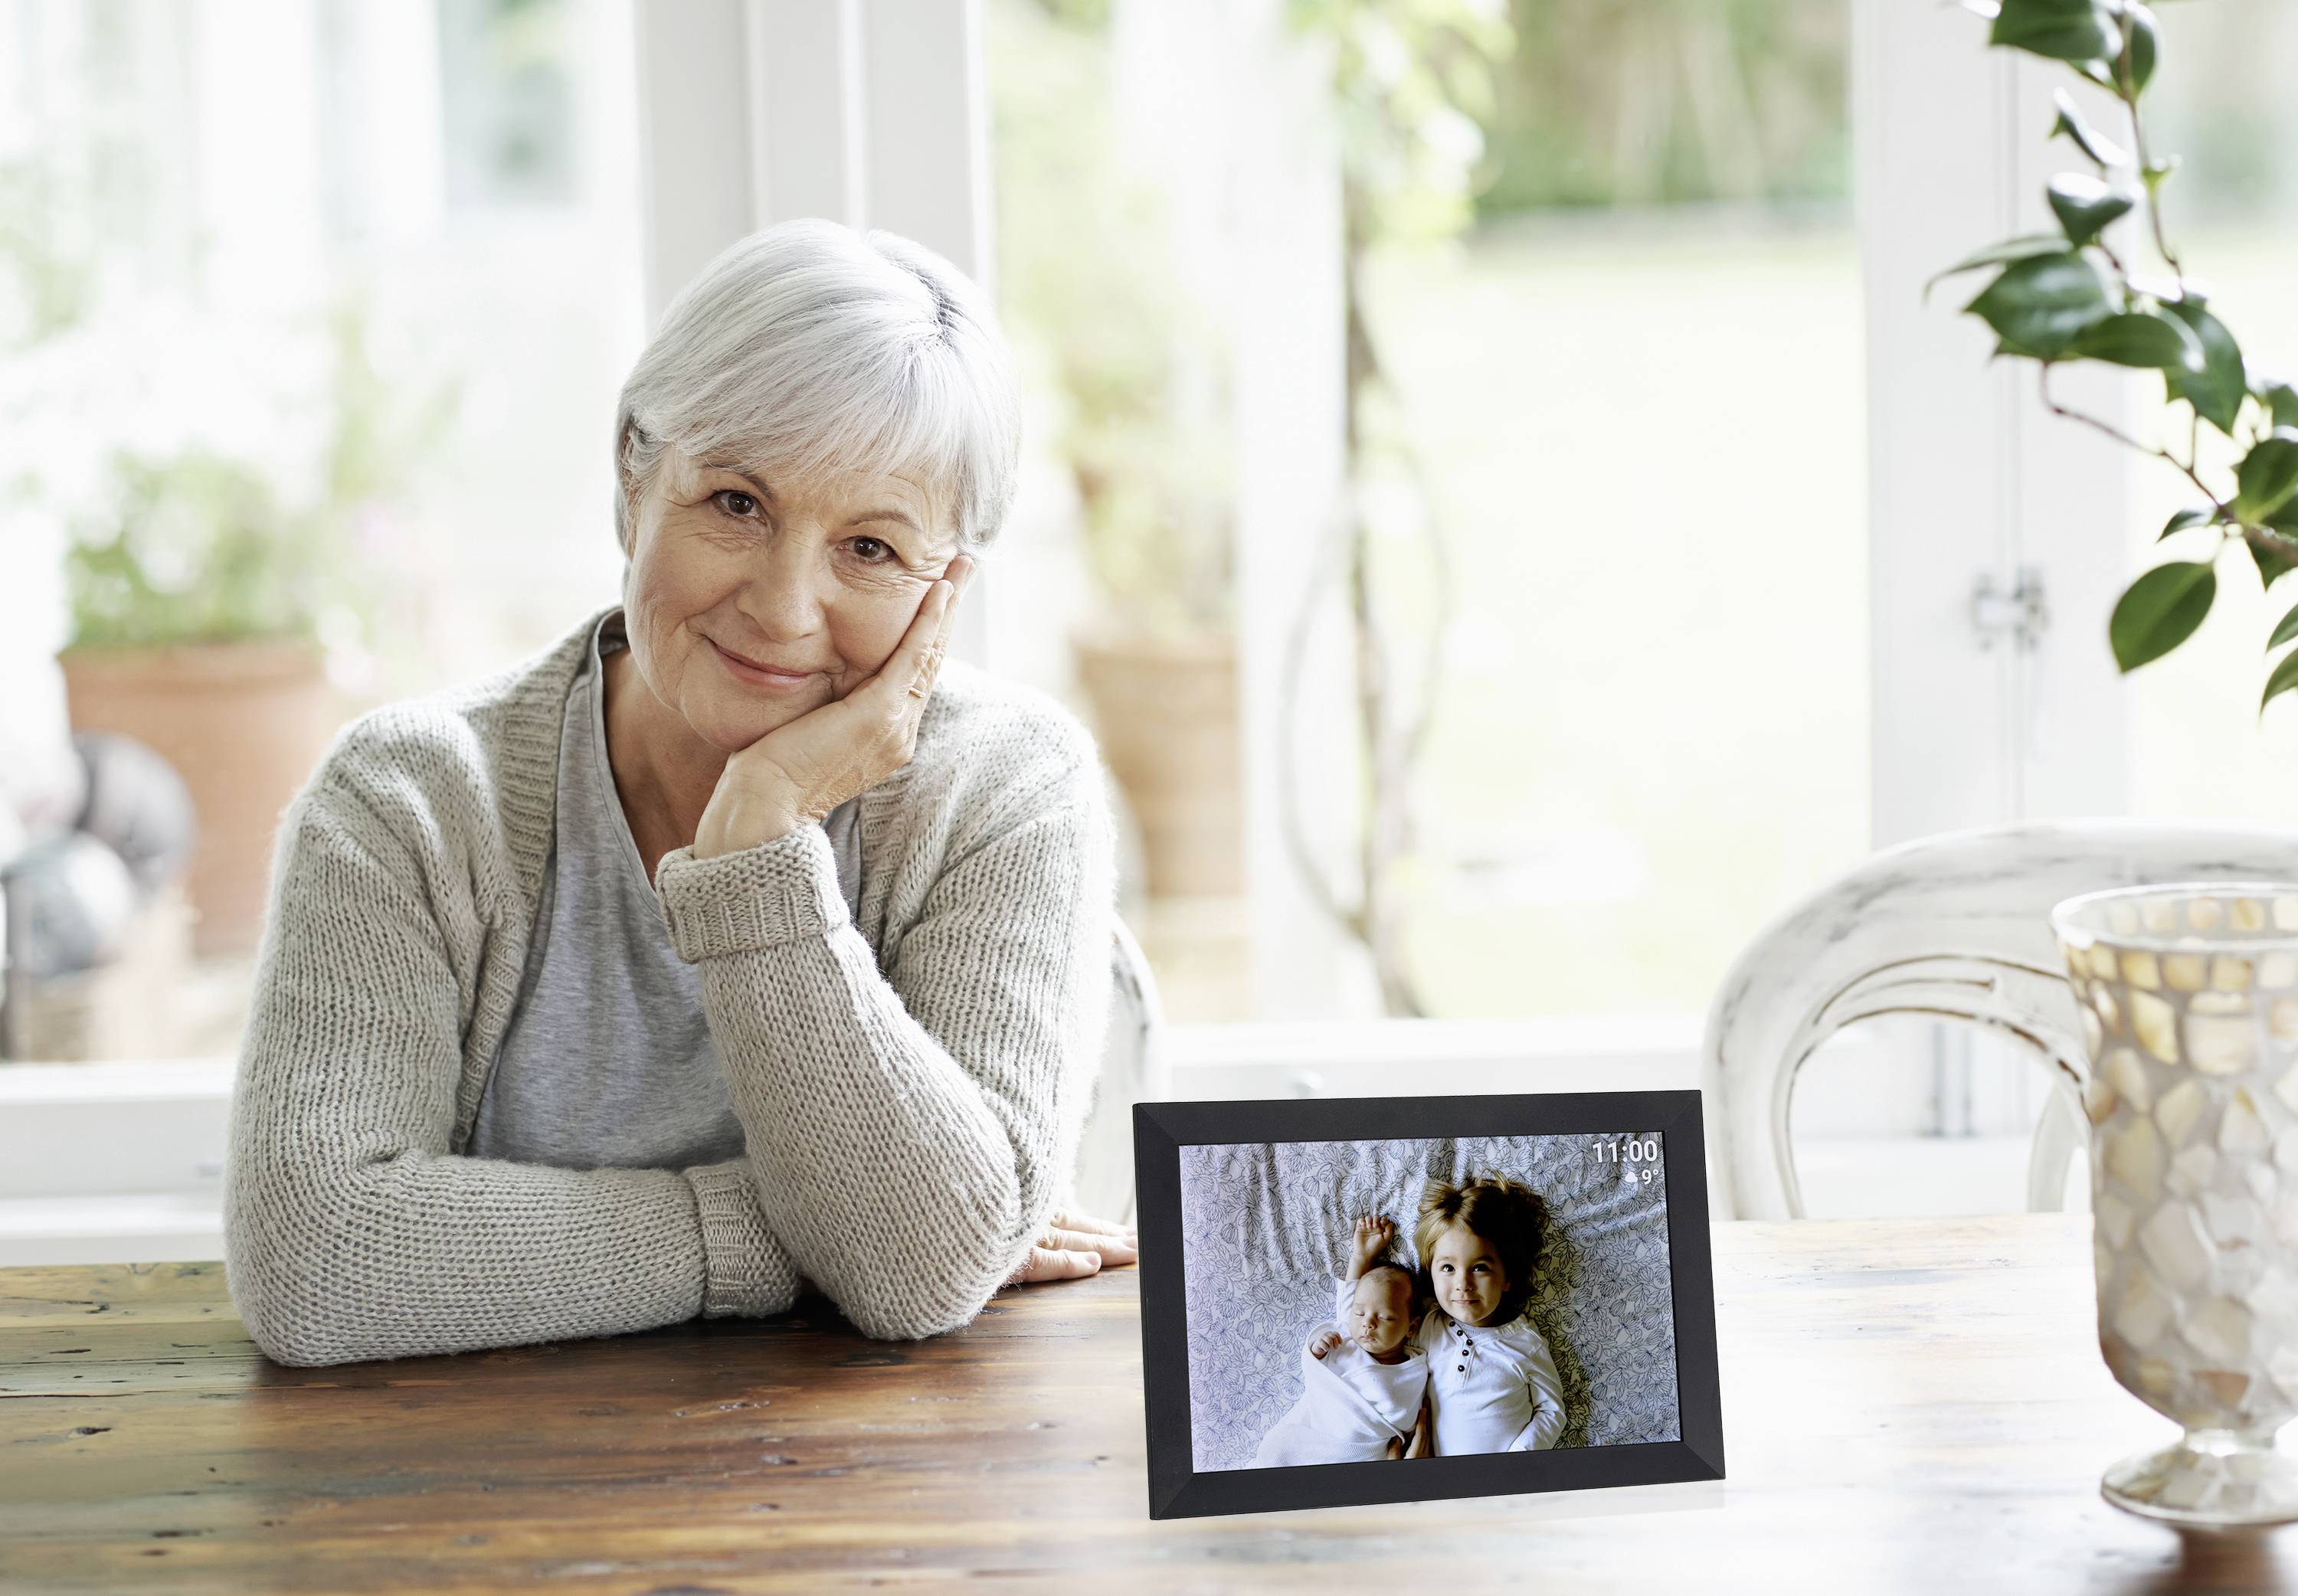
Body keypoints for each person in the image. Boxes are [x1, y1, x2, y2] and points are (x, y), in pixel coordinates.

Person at [222, 219, 1134, 1369]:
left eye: (869, 548)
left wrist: (761, 833)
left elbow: (916, 1277)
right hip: (473, 1466)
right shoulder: (409, 800)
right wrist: (792, 1230)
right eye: (738, 503)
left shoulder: (1008, 790)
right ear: (634, 471)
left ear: (946, 586)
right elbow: (314, 1258)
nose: (783, 609)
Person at [1403, 1176, 1566, 1456]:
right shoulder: (1426, 1324)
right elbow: (1369, 1327)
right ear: (1431, 1273)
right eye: (1448, 1268)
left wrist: (1518, 1457)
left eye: (1479, 1267)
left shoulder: (1525, 1343)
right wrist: (1361, 1262)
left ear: (1507, 1278)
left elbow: (1552, 1410)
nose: (1463, 1284)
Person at [1249, 1215, 1429, 1467]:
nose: (1368, 1323)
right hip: (1315, 1433)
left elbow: (1405, 1419)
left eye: (1385, 1317)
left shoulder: (1412, 1370)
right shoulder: (1345, 1337)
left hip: (1358, 1451)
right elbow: (1350, 1297)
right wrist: (1361, 1256)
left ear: (1411, 1327)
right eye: (1360, 1313)